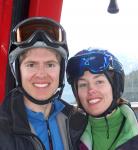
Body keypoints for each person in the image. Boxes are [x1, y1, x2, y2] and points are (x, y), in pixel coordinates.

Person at [0, 17, 87, 150]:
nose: (41, 74)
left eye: (50, 64)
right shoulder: (3, 129)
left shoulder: (76, 121)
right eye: (31, 65)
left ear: (61, 70)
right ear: (18, 71)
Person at [66, 48, 138, 150]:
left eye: (99, 82)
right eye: (83, 84)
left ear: (115, 87)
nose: (91, 90)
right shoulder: (69, 137)